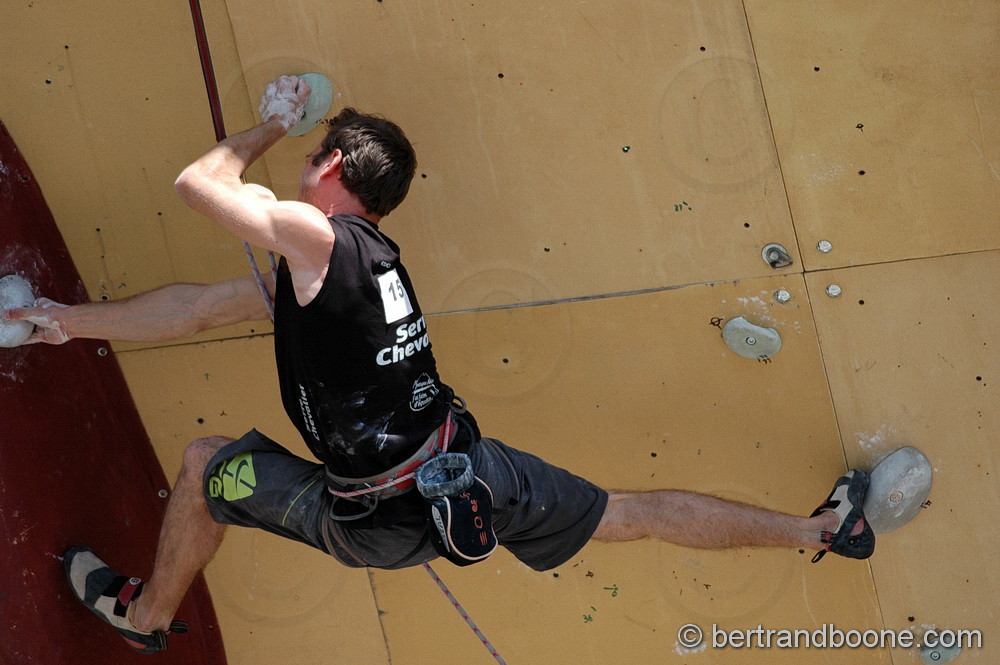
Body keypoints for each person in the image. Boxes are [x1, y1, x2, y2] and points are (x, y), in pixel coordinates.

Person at [2, 76, 874, 655]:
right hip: (470, 475)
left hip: (369, 516)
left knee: (206, 467)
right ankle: (821, 531)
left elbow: (200, 184)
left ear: (333, 168)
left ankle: (148, 616)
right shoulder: (364, 271)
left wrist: (274, 120)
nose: (301, 170)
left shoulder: (318, 242)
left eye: (314, 156)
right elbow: (197, 306)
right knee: (629, 512)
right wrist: (60, 323)